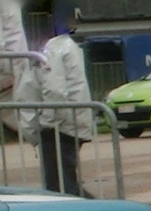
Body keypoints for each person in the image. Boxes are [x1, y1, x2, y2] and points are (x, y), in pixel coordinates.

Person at [15, 33, 95, 196]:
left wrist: (47, 124)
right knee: (63, 184)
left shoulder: (53, 49)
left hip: (60, 127)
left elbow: (55, 91)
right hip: (66, 123)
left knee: (60, 188)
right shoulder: (64, 45)